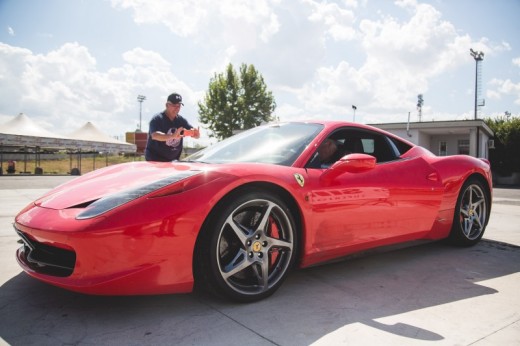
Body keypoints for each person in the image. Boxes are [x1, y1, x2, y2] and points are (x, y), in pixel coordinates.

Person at [144, 93, 200, 162]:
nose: (177, 108)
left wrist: (195, 134)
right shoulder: (157, 119)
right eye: (174, 105)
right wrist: (172, 136)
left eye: (179, 106)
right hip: (155, 161)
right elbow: (155, 135)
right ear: (167, 105)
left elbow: (194, 134)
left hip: (173, 161)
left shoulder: (181, 121)